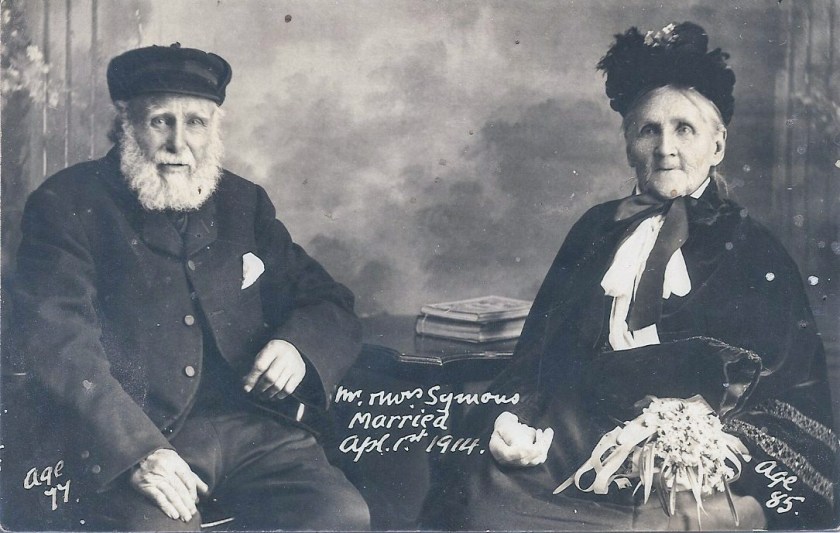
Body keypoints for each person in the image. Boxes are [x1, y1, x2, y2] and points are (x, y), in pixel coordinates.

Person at [423, 22, 837, 531]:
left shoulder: (755, 250)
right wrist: (512, 419)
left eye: (684, 129)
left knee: (661, 522)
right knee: (481, 498)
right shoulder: (596, 230)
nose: (666, 148)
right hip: (578, 425)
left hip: (691, 450)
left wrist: (718, 445)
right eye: (649, 130)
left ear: (719, 144)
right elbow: (537, 357)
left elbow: (790, 389)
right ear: (628, 143)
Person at [13, 43, 370, 531]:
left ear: (214, 129)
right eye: (161, 121)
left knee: (342, 515)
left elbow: (328, 301)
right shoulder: (66, 203)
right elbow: (57, 343)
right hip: (141, 433)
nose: (179, 143)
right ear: (127, 124)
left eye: (196, 123)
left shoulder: (244, 202)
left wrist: (296, 346)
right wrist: (136, 450)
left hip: (255, 430)